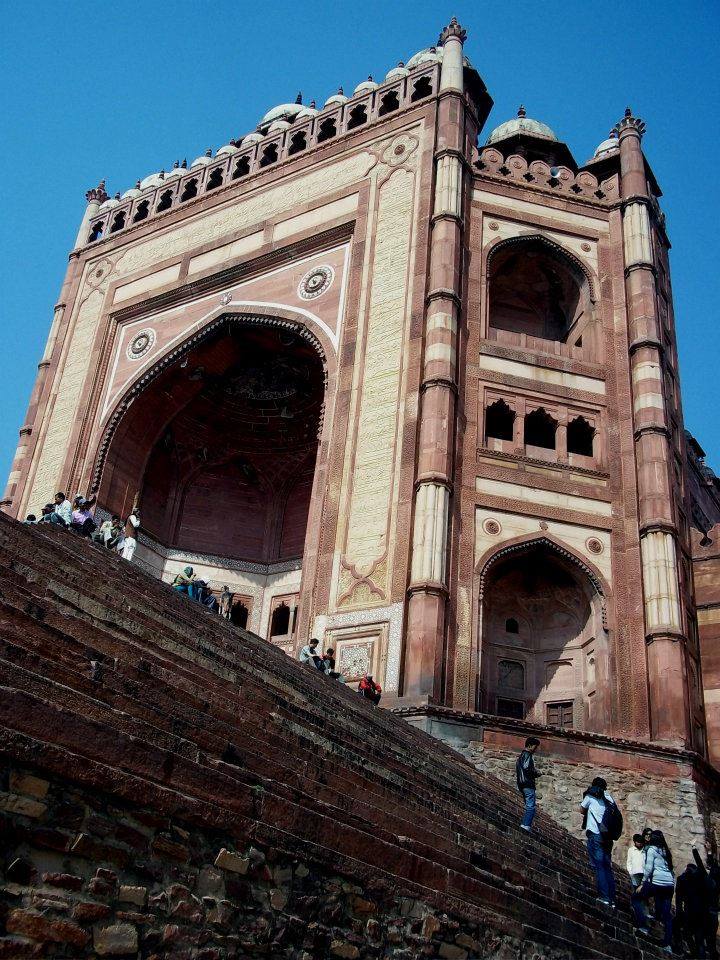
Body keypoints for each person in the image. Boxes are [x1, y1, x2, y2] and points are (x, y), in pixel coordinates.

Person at [632, 830, 675, 951]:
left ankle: (642, 925)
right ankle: (667, 944)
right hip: (669, 885)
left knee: (635, 898)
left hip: (658, 883)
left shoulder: (652, 849)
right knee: (667, 916)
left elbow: (649, 868)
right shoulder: (666, 851)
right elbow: (671, 870)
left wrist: (642, 883)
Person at [580, 777, 618, 907]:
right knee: (607, 867)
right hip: (608, 837)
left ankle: (605, 897)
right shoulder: (609, 799)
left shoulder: (591, 795)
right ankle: (612, 899)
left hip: (596, 835)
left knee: (599, 866)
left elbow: (581, 809)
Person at [676, 861, 710, 957]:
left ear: (686, 869)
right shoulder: (701, 880)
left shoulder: (682, 879)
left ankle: (694, 953)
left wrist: (679, 912)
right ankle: (700, 956)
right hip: (701, 913)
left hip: (689, 911)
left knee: (687, 933)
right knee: (700, 938)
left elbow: (678, 898)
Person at [693, 847, 720, 959]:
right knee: (712, 942)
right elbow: (714, 867)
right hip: (714, 914)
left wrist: (694, 850)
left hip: (704, 913)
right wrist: (710, 855)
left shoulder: (708, 881)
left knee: (699, 939)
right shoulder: (718, 885)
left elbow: (699, 863)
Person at [516, 737, 541, 833]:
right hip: (527, 784)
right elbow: (527, 768)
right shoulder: (527, 755)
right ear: (530, 745)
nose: (536, 749)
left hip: (522, 783)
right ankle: (526, 825)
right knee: (531, 806)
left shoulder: (521, 756)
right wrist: (536, 773)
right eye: (535, 747)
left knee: (528, 805)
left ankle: (524, 824)